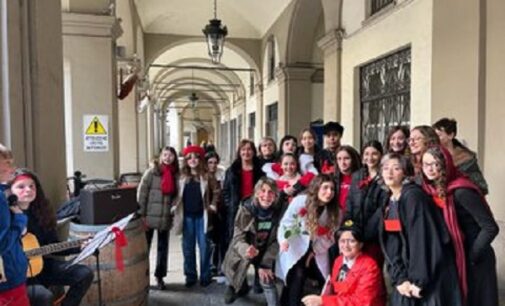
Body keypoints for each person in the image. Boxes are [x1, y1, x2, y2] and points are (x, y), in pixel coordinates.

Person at [379, 153, 462, 306]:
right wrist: (399, 278)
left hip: (427, 273)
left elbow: (422, 239)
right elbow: (392, 242)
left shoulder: (413, 197)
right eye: (385, 168)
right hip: (406, 276)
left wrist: (418, 280)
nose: (389, 172)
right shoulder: (389, 199)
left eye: (396, 168)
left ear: (405, 172)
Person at [421, 145, 499, 306]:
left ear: (446, 164)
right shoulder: (429, 190)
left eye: (436, 164)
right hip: (457, 254)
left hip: (476, 256)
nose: (430, 169)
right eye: (426, 164)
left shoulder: (461, 191)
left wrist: (472, 255)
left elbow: (490, 227)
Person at [11, 169, 93, 306]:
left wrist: (78, 246)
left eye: (32, 186)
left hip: (41, 265)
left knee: (84, 274)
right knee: (44, 296)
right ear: (10, 191)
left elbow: (53, 245)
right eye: (21, 186)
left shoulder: (41, 213)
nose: (28, 190)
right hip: (17, 275)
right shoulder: (7, 216)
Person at [276, 174, 340, 306]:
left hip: (317, 250)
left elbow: (330, 237)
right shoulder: (300, 201)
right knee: (297, 275)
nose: (329, 193)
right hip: (294, 246)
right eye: (325, 188)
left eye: (332, 189)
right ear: (316, 188)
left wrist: (314, 251)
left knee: (325, 280)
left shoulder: (335, 212)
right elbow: (286, 224)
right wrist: (284, 240)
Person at [222, 177, 283, 305]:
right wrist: (246, 249)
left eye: (271, 192)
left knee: (267, 278)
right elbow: (238, 236)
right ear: (256, 193)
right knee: (238, 264)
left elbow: (279, 239)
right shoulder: (246, 208)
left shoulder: (279, 210)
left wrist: (266, 263)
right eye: (263, 191)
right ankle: (234, 286)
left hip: (267, 248)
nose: (266, 195)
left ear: (276, 195)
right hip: (247, 245)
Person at [301, 220, 386, 306]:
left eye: (351, 241)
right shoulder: (339, 261)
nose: (346, 246)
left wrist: (323, 301)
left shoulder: (370, 266)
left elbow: (362, 301)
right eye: (342, 241)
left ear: (360, 244)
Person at [172, 145, 220, 287]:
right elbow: (175, 193)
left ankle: (205, 276)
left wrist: (213, 204)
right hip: (186, 217)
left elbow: (217, 191)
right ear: (186, 160)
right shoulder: (181, 176)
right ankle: (190, 276)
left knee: (204, 247)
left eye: (196, 157)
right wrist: (174, 204)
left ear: (200, 159)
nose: (193, 160)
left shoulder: (206, 176)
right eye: (189, 157)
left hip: (202, 216)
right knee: (188, 247)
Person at [137, 146, 180, 290]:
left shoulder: (175, 174)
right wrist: (141, 215)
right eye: (165, 155)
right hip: (149, 217)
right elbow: (141, 194)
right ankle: (142, 277)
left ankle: (159, 276)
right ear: (161, 156)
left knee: (163, 249)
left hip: (165, 217)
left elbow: (177, 195)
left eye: (171, 155)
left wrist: (174, 205)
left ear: (174, 158)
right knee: (145, 249)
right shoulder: (151, 172)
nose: (168, 157)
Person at [344, 140, 388, 265]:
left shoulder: (385, 177)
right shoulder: (357, 175)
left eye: (374, 154)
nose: (370, 157)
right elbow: (350, 202)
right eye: (367, 154)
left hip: (374, 235)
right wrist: (349, 227)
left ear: (381, 155)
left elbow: (382, 207)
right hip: (355, 231)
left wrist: (366, 234)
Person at [0, 144, 30, 306]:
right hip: (8, 278)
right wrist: (19, 219)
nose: (13, 167)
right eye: (8, 162)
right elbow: (2, 243)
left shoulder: (4, 192)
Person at [432, 118, 488, 195]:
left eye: (439, 135)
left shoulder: (466, 159)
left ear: (451, 135)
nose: (435, 139)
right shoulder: (432, 156)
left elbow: (481, 185)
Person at [205, 151, 226, 278]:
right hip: (208, 211)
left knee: (219, 239)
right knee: (209, 239)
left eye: (215, 162)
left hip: (220, 210)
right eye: (210, 163)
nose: (213, 165)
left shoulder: (221, 174)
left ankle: (217, 265)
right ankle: (210, 265)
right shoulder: (204, 175)